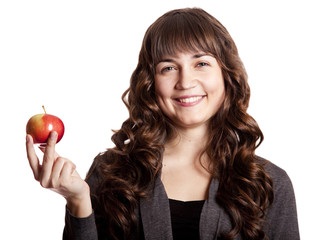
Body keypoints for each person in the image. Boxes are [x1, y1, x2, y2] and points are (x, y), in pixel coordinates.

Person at [26, 7, 300, 240]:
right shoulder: (110, 173)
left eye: (201, 63)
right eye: (168, 67)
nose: (185, 82)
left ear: (227, 75)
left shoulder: (268, 183)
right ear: (150, 82)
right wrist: (78, 201)